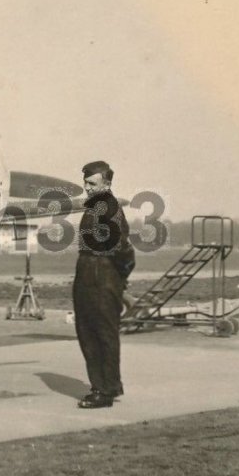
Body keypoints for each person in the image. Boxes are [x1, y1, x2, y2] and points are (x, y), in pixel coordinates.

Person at [73, 160, 135, 409]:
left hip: (103, 275)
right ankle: (103, 385)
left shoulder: (109, 208)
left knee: (102, 333)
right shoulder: (94, 207)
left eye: (92, 183)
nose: (87, 187)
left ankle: (105, 390)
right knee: (87, 332)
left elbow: (124, 249)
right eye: (85, 183)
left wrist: (118, 278)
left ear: (107, 184)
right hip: (88, 274)